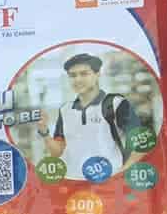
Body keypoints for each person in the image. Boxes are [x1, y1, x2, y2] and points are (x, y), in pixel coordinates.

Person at [49, 52, 147, 180]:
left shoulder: (115, 103)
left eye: (84, 74)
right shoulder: (65, 110)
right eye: (72, 75)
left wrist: (121, 174)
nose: (77, 79)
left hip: (109, 182)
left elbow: (141, 145)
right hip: (74, 184)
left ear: (97, 74)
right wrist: (44, 132)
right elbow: (58, 151)